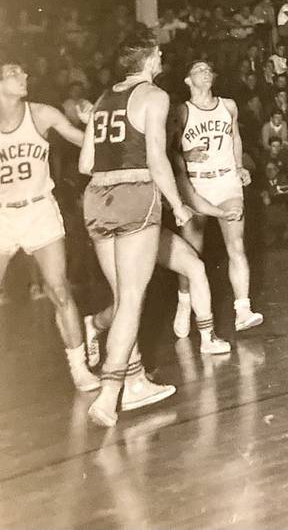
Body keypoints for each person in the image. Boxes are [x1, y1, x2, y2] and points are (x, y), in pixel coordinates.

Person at [79, 25, 193, 426]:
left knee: (125, 295)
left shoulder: (103, 99)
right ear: (146, 59)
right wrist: (178, 205)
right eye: (158, 54)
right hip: (133, 196)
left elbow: (85, 164)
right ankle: (110, 395)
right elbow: (158, 161)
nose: (162, 58)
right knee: (131, 299)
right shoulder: (155, 97)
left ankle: (137, 379)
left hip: (96, 197)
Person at [0, 58, 98, 392]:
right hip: (2, 215)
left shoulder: (41, 114)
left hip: (40, 210)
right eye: (14, 73)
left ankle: (79, 367)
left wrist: (96, 124)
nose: (24, 75)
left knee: (59, 289)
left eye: (23, 71)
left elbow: (82, 140)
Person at [172, 61, 263, 337]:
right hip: (196, 184)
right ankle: (184, 302)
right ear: (188, 80)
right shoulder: (182, 111)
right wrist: (187, 156)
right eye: (199, 70)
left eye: (209, 69)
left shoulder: (229, 106)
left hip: (226, 181)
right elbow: (169, 150)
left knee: (236, 245)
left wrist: (239, 166)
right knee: (191, 253)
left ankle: (243, 309)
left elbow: (235, 138)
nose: (206, 73)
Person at [84, 227, 232, 366]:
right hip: (120, 232)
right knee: (130, 301)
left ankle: (208, 338)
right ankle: (96, 324)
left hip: (149, 227)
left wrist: (178, 206)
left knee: (195, 267)